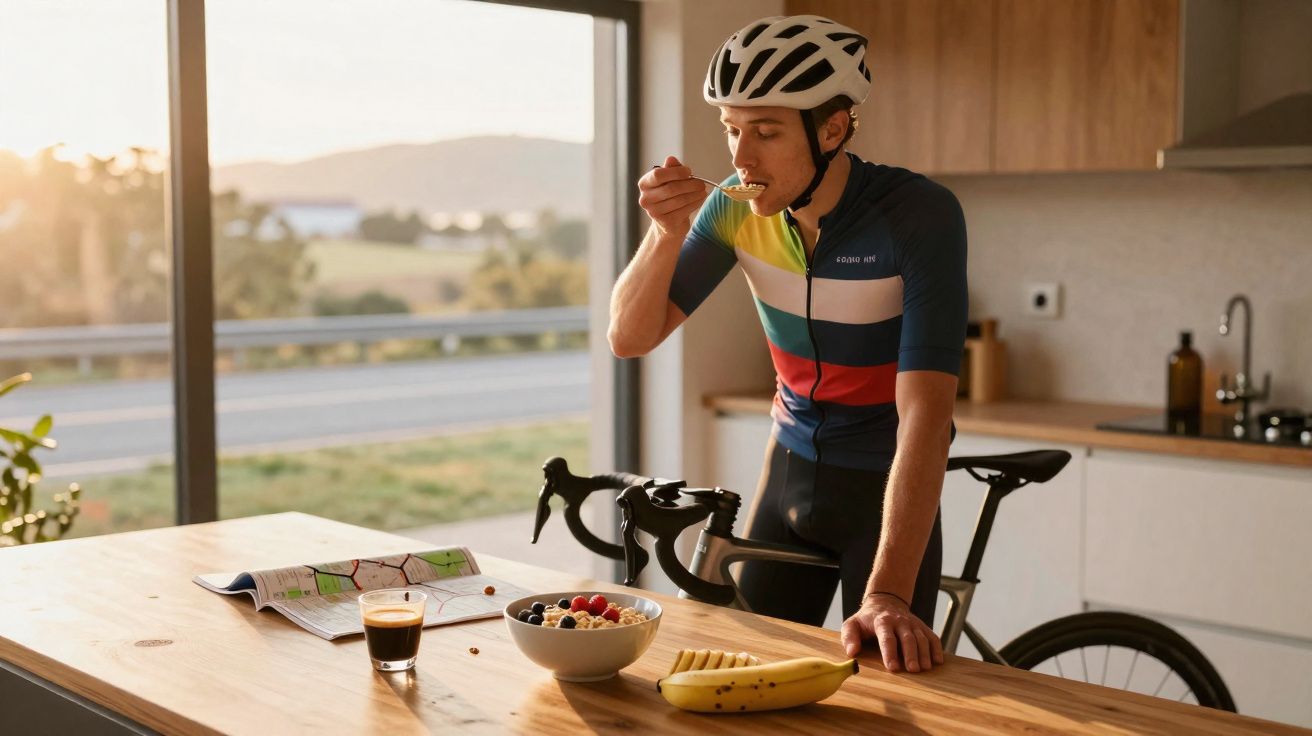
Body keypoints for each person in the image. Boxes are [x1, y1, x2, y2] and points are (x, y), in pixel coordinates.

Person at [607, 14, 966, 675]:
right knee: (747, 679)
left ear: (833, 128)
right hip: (790, 471)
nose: (742, 157)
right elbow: (631, 337)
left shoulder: (916, 215)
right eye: (733, 129)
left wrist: (887, 593)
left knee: (892, 697)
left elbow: (926, 412)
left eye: (767, 132)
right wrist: (664, 233)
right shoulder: (734, 211)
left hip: (885, 483)